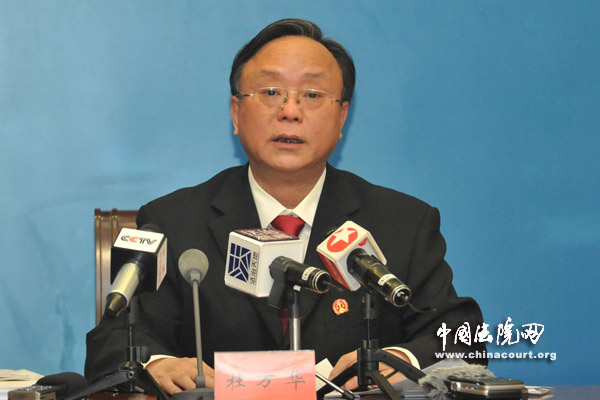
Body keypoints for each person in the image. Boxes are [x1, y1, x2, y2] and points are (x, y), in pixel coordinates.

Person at [85, 18, 486, 394]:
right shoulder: (173, 221)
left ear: (342, 117)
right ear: (236, 112)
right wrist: (156, 365)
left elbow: (460, 336)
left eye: (312, 95)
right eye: (270, 92)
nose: (290, 112)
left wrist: (401, 359)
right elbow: (113, 341)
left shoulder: (402, 222)